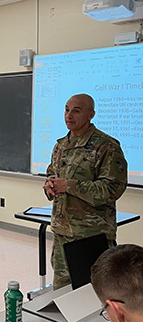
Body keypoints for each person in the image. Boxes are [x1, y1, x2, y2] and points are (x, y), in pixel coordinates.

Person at [43, 94, 127, 289]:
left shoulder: (106, 146)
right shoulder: (61, 145)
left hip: (91, 235)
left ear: (91, 114)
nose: (69, 115)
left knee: (94, 294)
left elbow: (112, 188)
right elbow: (51, 173)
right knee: (62, 292)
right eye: (66, 109)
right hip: (62, 231)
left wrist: (69, 186)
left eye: (76, 110)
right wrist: (50, 186)